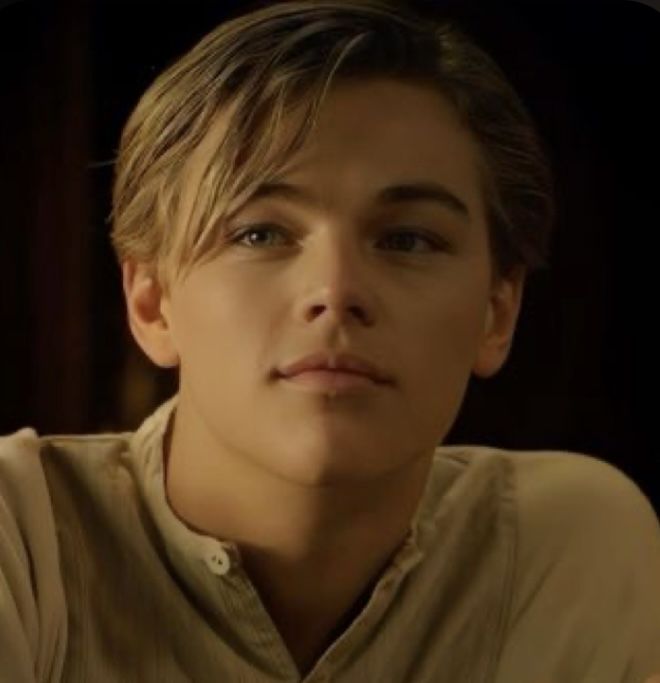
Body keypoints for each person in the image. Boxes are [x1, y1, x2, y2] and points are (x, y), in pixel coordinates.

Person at [1, 1, 659, 681]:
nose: (337, 288)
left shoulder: (567, 552)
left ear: (498, 311)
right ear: (153, 301)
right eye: (259, 233)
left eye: (408, 238)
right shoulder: (23, 540)